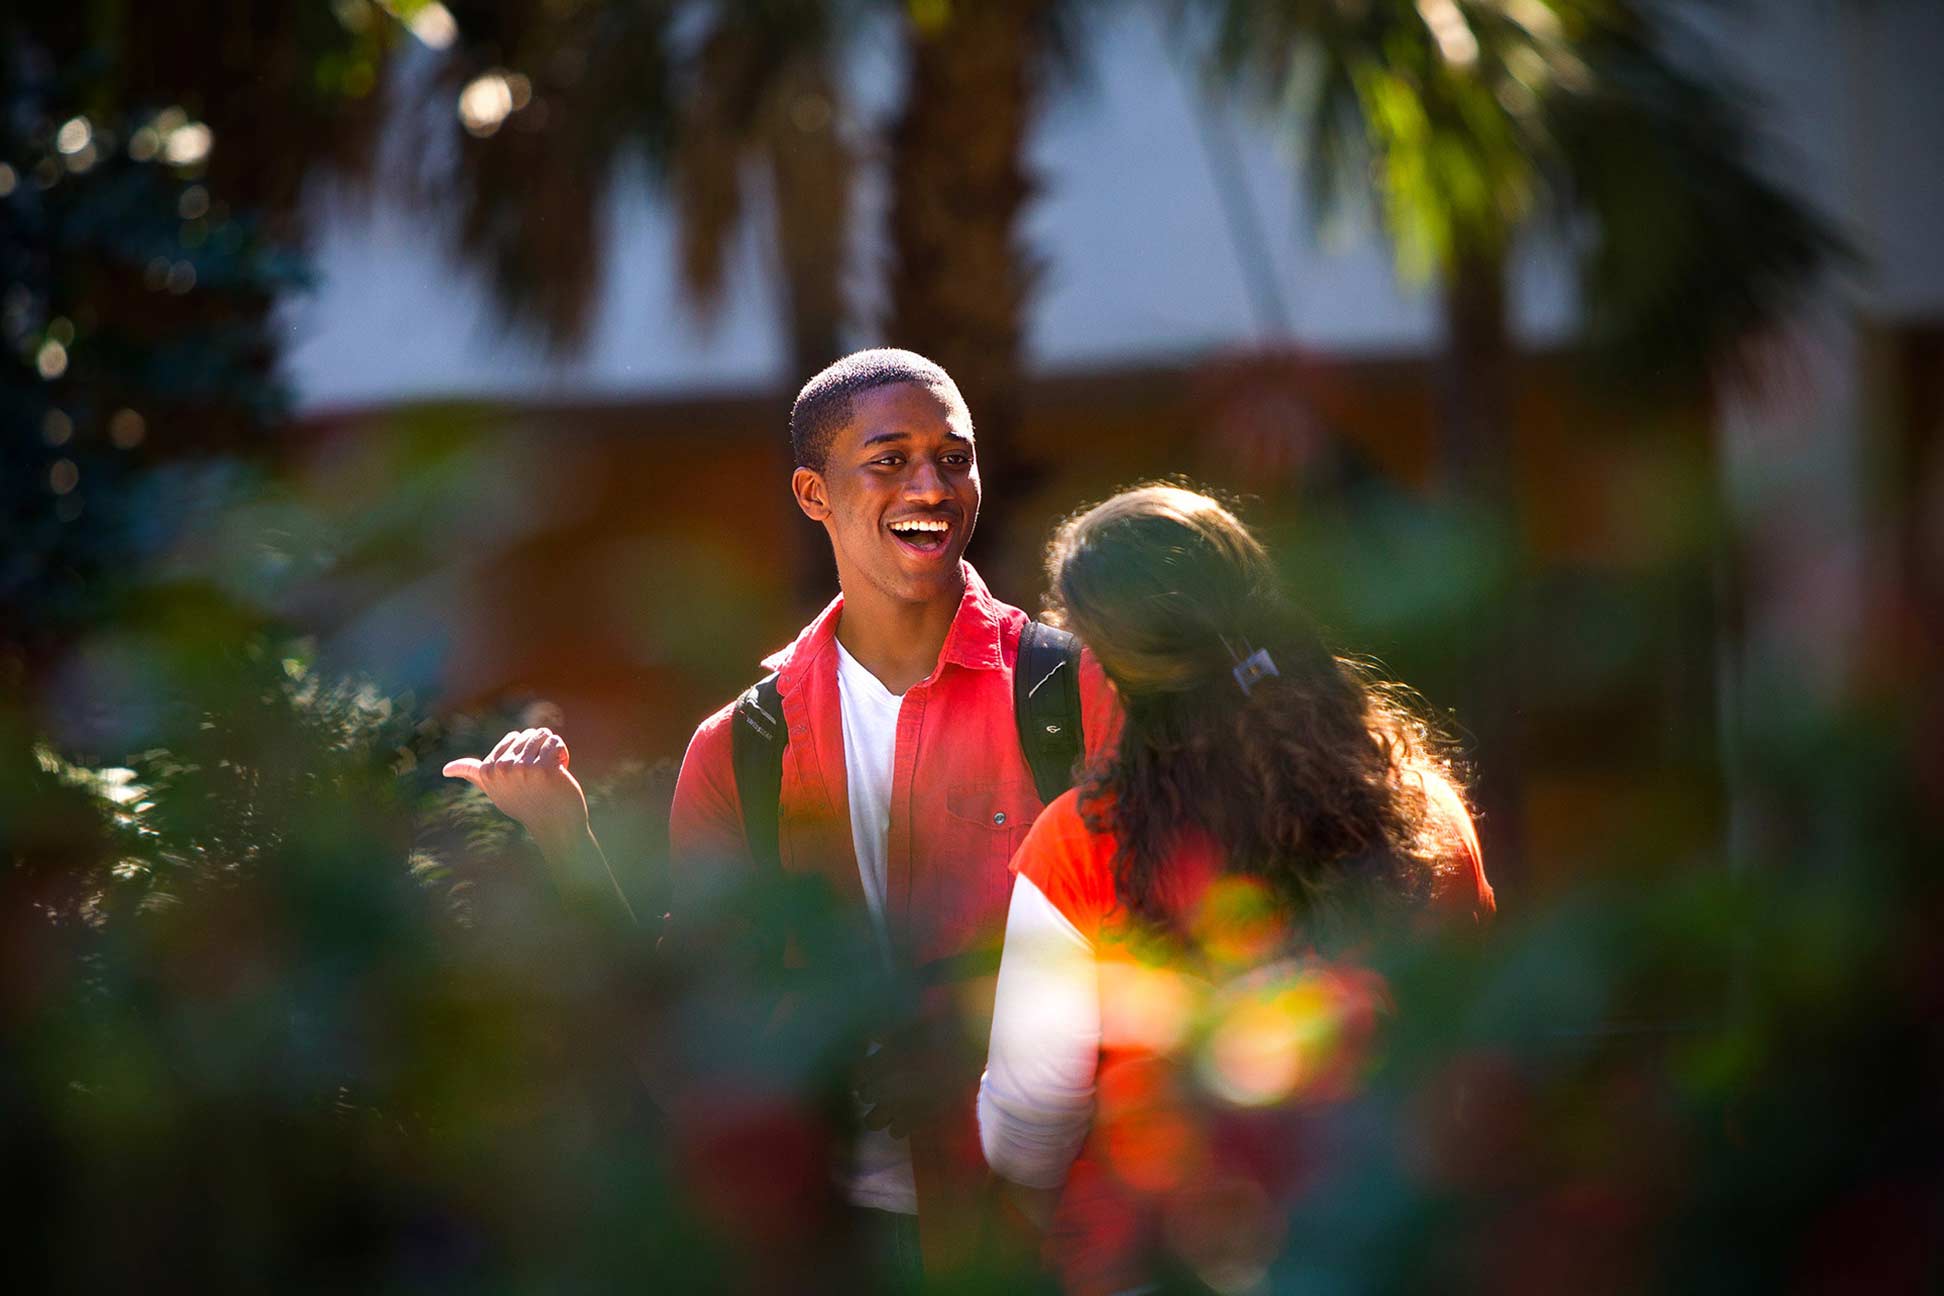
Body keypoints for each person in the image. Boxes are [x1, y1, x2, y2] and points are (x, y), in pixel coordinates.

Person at [445, 348, 1119, 1280]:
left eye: (953, 457)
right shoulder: (742, 747)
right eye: (889, 459)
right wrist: (567, 835)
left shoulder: (1074, 692)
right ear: (814, 493)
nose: (931, 484)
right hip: (840, 1234)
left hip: (1065, 1226)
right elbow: (692, 1009)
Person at [977, 484, 1495, 1293]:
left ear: (1116, 673)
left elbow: (1027, 1131)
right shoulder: (1427, 813)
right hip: (1393, 1253)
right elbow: (1477, 1062)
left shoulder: (1081, 846)